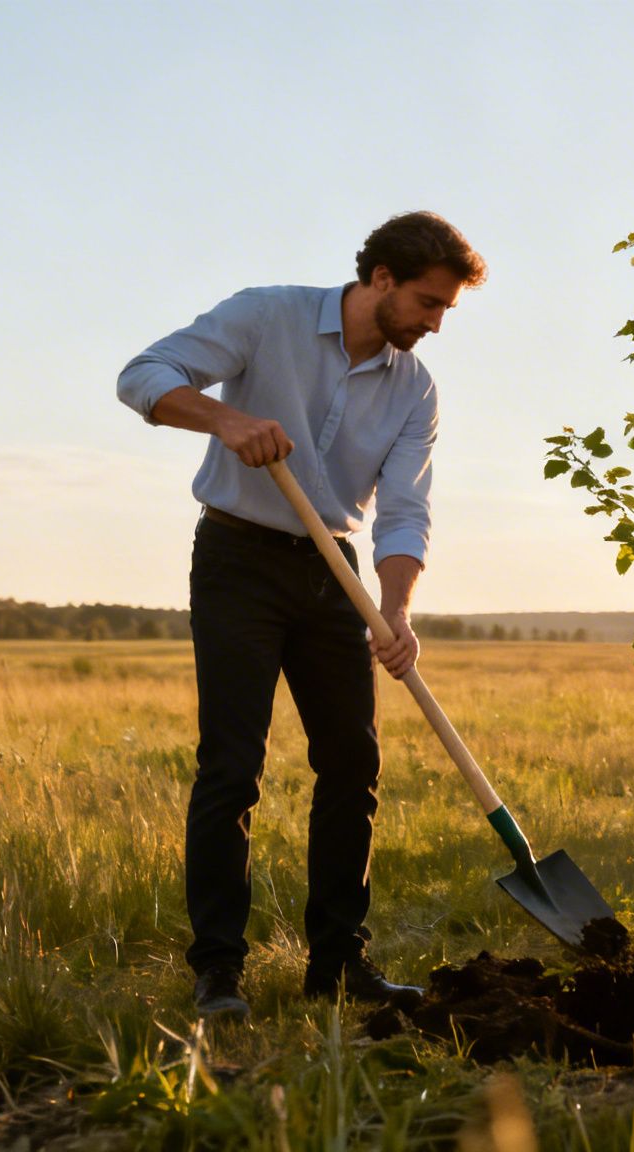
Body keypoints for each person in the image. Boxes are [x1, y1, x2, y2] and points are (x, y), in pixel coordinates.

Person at [116, 212, 487, 1017]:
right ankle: (218, 972)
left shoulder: (415, 387)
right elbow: (143, 374)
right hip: (238, 559)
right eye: (427, 303)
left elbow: (404, 511)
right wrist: (225, 419)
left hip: (334, 577)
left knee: (353, 764)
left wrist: (393, 611)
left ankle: (337, 964)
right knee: (232, 766)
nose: (433, 323)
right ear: (380, 278)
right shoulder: (266, 314)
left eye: (445, 311)